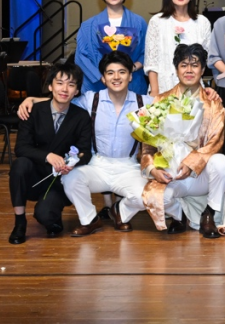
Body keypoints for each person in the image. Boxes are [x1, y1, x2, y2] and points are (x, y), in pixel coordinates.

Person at [16, 52, 148, 237]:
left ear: (130, 76)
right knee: (71, 178)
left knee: (146, 198)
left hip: (128, 165)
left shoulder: (145, 102)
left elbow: (168, 103)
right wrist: (31, 99)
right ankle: (90, 220)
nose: (116, 77)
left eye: (122, 72)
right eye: (110, 73)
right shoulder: (91, 99)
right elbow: (62, 99)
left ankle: (119, 210)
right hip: (98, 164)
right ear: (103, 78)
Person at [133, 44, 225, 238]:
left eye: (194, 65)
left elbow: (215, 143)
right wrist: (153, 170)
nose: (189, 70)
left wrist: (191, 162)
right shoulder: (160, 101)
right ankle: (179, 215)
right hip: (172, 175)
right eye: (184, 65)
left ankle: (209, 214)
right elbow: (147, 148)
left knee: (222, 162)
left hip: (200, 175)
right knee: (154, 199)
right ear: (176, 69)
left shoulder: (213, 103)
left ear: (202, 70)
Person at [8, 61, 93, 244]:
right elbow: (21, 147)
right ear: (50, 86)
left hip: (59, 180)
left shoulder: (81, 116)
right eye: (59, 83)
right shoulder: (33, 111)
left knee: (46, 216)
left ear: (77, 91)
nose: (65, 89)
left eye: (71, 85)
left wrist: (71, 163)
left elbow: (85, 152)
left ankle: (51, 216)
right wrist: (47, 156)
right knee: (19, 164)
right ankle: (19, 222)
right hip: (34, 175)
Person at [75, 0, 149, 94]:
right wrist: (101, 77)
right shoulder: (88, 26)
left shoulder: (139, 22)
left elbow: (147, 52)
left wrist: (133, 67)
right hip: (98, 86)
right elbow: (81, 57)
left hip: (132, 84)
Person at [145, 0, 212, 97]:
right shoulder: (157, 21)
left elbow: (204, 60)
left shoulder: (202, 22)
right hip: (163, 88)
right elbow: (151, 62)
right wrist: (155, 91)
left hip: (194, 90)